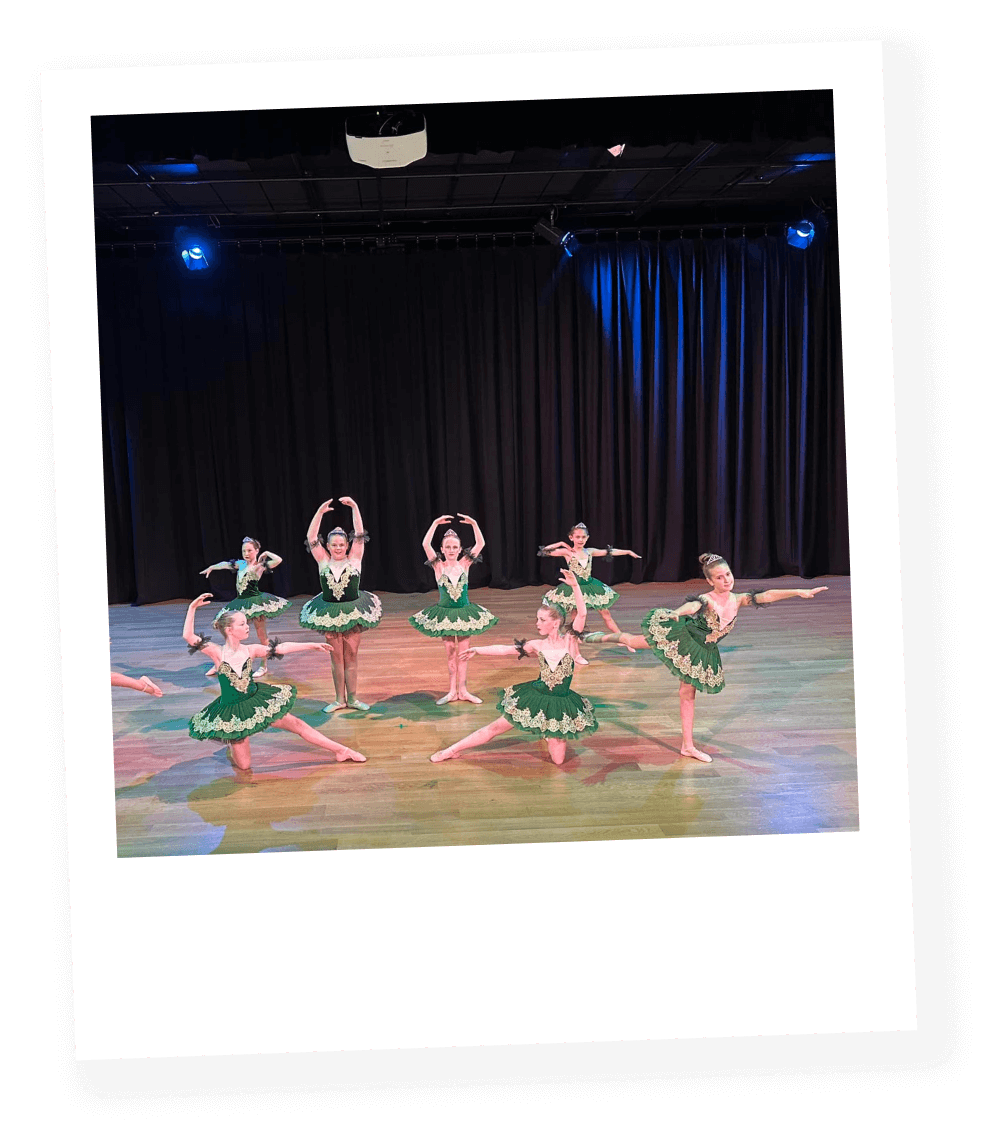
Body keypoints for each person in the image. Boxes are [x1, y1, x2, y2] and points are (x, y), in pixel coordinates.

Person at [584, 551, 828, 762]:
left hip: (703, 650)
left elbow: (767, 595)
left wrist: (799, 591)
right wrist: (677, 613)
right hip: (685, 638)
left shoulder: (738, 599)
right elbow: (693, 606)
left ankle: (687, 745)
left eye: (728, 575)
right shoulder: (708, 599)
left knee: (687, 694)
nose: (726, 580)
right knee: (632, 641)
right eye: (719, 577)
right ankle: (588, 637)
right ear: (710, 581)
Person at [430, 569, 597, 766]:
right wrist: (478, 650)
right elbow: (505, 649)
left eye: (542, 620)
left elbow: (583, 612)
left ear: (556, 623)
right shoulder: (537, 645)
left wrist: (575, 586)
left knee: (559, 761)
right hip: (536, 697)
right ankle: (451, 750)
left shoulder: (569, 641)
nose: (537, 624)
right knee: (494, 728)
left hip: (559, 703)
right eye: (537, 619)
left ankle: (546, 730)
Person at [183, 593, 365, 770]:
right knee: (244, 766)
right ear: (230, 630)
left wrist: (311, 645)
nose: (248, 627)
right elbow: (189, 637)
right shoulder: (217, 653)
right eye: (242, 624)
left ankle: (342, 750)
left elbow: (281, 648)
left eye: (246, 623)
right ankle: (231, 741)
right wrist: (192, 608)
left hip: (256, 702)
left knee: (298, 725)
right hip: (233, 711)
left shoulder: (251, 650)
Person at [299, 497, 382, 713]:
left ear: (347, 546)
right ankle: (339, 699)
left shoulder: (355, 559)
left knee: (351, 655)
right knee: (336, 658)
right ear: (327, 546)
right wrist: (319, 512)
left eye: (341, 544)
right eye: (333, 545)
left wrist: (355, 507)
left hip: (352, 612)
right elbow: (310, 537)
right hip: (329, 614)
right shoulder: (323, 562)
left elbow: (360, 535)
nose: (337, 548)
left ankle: (353, 698)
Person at [410, 514, 498, 705]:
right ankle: (452, 691)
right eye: (447, 547)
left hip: (464, 614)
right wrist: (434, 523)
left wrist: (474, 523)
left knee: (464, 654)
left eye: (454, 547)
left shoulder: (464, 564)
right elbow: (426, 544)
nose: (451, 550)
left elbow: (480, 543)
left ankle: (464, 690)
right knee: (450, 653)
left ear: (460, 550)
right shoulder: (438, 566)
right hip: (445, 615)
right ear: (442, 549)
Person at [199, 537, 290, 678]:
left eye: (249, 550)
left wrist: (266, 552)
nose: (246, 553)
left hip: (255, 603)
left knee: (261, 635)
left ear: (256, 551)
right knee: (229, 632)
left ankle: (263, 665)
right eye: (244, 551)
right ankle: (221, 664)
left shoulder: (259, 566)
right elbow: (225, 564)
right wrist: (212, 567)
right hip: (240, 602)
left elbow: (278, 560)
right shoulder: (241, 564)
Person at [539, 522, 640, 639]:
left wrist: (628, 552)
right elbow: (545, 550)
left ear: (587, 538)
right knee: (575, 614)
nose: (580, 540)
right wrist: (562, 543)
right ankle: (576, 636)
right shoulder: (567, 552)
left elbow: (609, 552)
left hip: (590, 586)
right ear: (571, 538)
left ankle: (621, 637)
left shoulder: (590, 551)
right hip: (574, 587)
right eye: (577, 537)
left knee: (606, 614)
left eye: (583, 537)